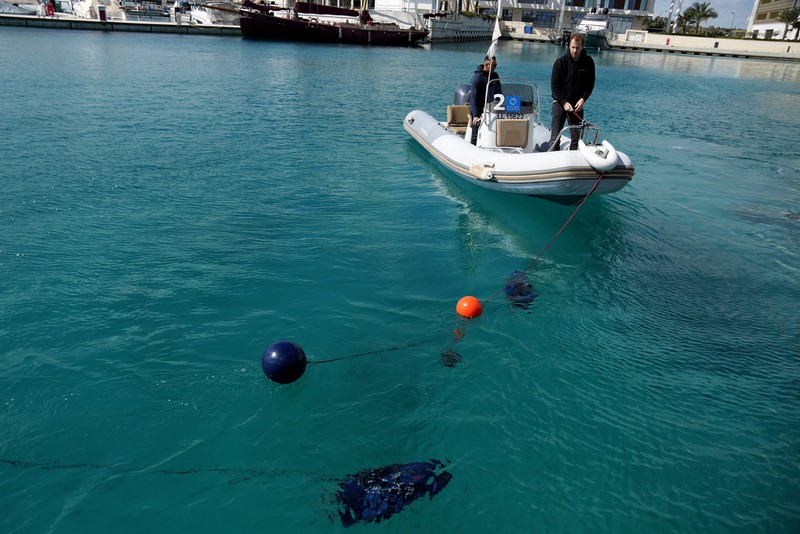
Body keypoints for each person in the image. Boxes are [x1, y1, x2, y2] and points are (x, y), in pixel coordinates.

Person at [549, 34, 595, 151]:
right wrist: (564, 103)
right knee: (555, 136)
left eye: (577, 48)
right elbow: (555, 87)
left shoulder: (588, 62)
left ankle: (572, 160)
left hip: (577, 105)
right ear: (569, 46)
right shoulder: (560, 63)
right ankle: (553, 160)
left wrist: (583, 99)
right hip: (560, 102)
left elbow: (590, 84)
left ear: (582, 47)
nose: (575, 50)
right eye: (573, 47)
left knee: (576, 138)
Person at [468, 56, 501, 145]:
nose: (495, 67)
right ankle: (473, 147)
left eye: (496, 65)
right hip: (478, 109)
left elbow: (499, 93)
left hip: (491, 108)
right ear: (486, 65)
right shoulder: (477, 78)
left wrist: (502, 105)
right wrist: (475, 115)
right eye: (493, 66)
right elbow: (474, 97)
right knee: (475, 134)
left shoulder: (495, 76)